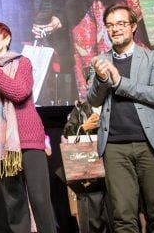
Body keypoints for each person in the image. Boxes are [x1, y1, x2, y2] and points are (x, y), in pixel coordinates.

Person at [88, 3, 154, 233]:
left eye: (120, 24)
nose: (115, 29)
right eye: (110, 25)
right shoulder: (100, 60)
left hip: (152, 145)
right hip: (115, 148)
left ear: (133, 26)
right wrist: (101, 80)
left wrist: (120, 82)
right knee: (123, 219)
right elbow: (94, 100)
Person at [0, 22, 57, 233]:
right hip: (1, 147)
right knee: (14, 206)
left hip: (30, 140)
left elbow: (19, 92)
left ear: (7, 39)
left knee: (40, 201)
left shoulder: (23, 62)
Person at [62, 80, 112, 233]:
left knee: (118, 213)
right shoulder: (81, 108)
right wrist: (84, 127)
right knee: (92, 214)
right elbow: (68, 132)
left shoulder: (114, 103)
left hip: (114, 165)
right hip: (90, 171)